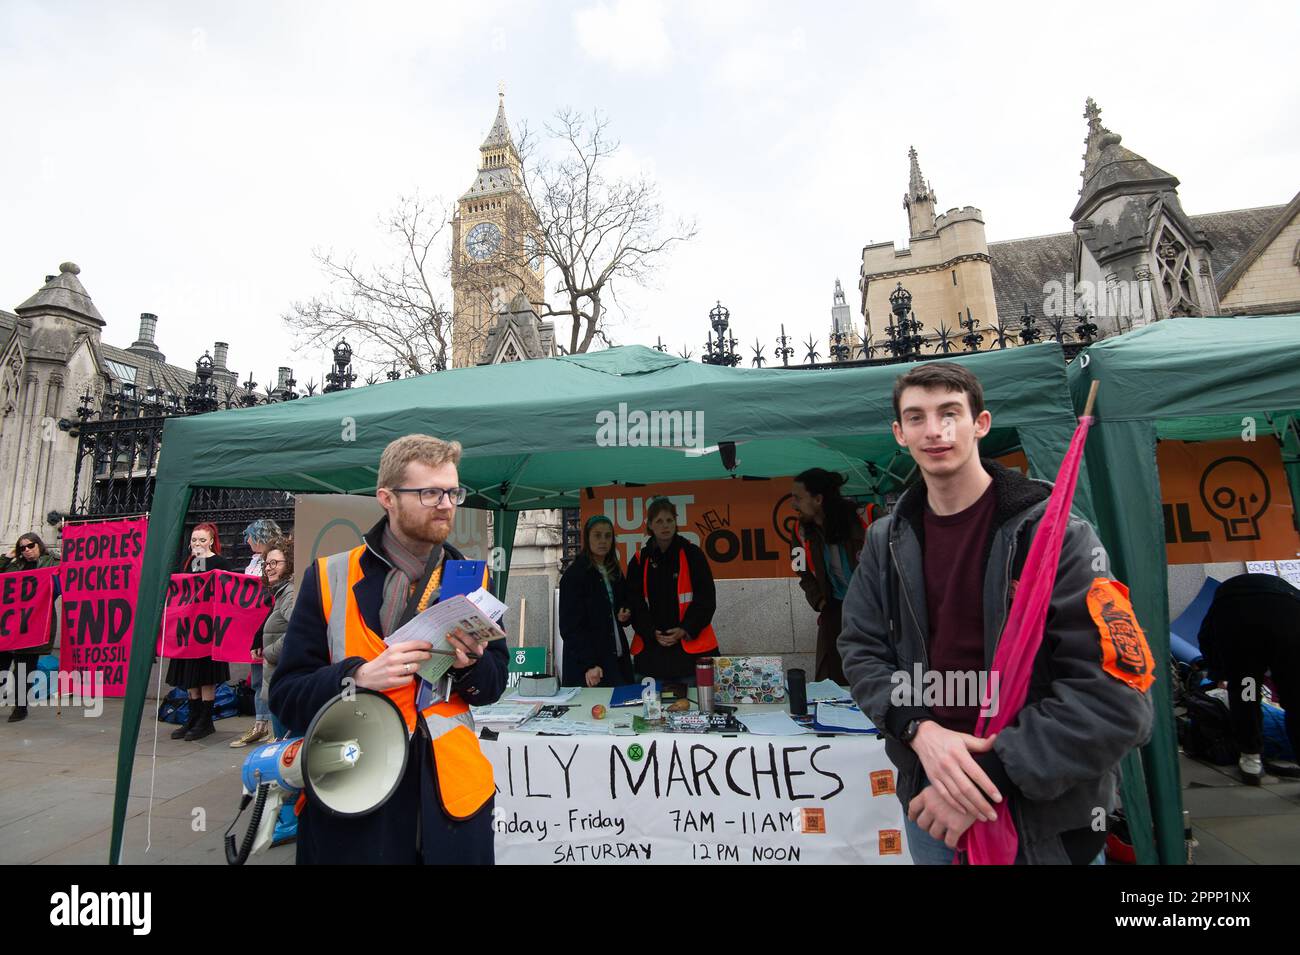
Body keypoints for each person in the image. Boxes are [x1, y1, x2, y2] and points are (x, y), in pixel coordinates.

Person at [838, 362, 1154, 864]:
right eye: (916, 417)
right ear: (899, 433)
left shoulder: (1056, 536)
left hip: (1044, 818)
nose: (935, 430)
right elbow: (861, 649)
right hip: (930, 805)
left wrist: (984, 780)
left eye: (950, 413)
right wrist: (921, 730)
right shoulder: (886, 540)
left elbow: (1116, 702)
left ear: (980, 423)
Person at [269, 435, 507, 864]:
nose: (446, 504)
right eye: (429, 492)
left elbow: (493, 686)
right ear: (387, 498)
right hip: (354, 802)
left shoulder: (473, 580)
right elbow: (286, 697)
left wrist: (471, 665)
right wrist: (357, 677)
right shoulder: (327, 576)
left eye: (453, 492)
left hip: (452, 804)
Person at [1196, 572, 1300, 784]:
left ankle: (1251, 759)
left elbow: (1206, 637)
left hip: (1238, 618)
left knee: (1246, 693)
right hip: (1287, 613)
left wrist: (1219, 674)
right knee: (1296, 698)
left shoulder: (1224, 599)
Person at [791, 468, 875, 684]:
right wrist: (819, 601)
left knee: (876, 673)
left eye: (798, 498)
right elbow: (800, 568)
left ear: (818, 499)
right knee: (833, 678)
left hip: (876, 611)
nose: (794, 505)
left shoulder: (868, 518)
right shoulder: (799, 531)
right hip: (835, 609)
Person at [625, 497, 719, 684]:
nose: (665, 525)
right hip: (651, 655)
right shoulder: (638, 560)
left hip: (690, 656)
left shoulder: (693, 555)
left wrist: (685, 629)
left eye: (669, 520)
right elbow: (635, 603)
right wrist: (651, 632)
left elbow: (706, 599)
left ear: (676, 522)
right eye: (659, 521)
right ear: (650, 525)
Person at [165, 523, 232, 741]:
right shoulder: (190, 564)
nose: (197, 544)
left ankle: (205, 721)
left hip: (208, 630)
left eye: (202, 540)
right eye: (194, 540)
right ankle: (192, 719)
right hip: (189, 630)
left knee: (206, 677)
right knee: (190, 677)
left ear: (212, 541)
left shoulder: (220, 563)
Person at [233, 534, 295, 747]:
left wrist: (270, 651)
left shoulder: (290, 593)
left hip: (285, 685)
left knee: (285, 748)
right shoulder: (281, 593)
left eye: (275, 563)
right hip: (279, 684)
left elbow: (298, 630)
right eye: (267, 563)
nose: (269, 568)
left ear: (290, 565)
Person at [559, 515, 634, 687]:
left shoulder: (613, 570)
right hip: (590, 668)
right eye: (597, 535)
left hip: (616, 659)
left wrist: (625, 612)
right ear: (587, 538)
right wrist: (589, 664)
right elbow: (570, 628)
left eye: (608, 536)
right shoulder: (575, 575)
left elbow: (624, 602)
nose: (603, 541)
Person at [0, 533, 59, 723]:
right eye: (22, 548)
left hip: (33, 625)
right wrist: (6, 557)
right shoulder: (13, 565)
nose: (26, 550)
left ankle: (20, 707)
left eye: (30, 546)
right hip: (9, 626)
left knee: (24, 670)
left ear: (39, 545)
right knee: (1, 666)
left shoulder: (52, 562)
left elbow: (65, 581)